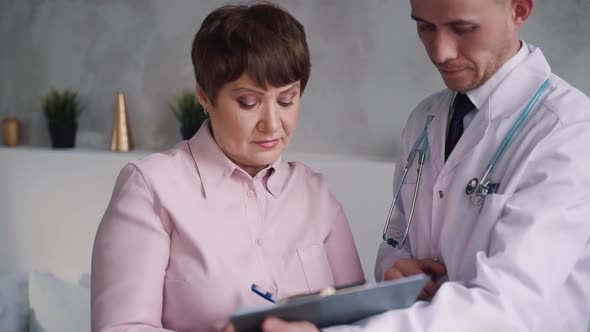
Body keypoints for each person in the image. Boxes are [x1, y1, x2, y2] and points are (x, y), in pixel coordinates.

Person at [264, 0, 590, 331]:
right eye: (425, 27)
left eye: (462, 29)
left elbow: (506, 304)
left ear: (518, 10)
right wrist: (396, 269)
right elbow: (397, 240)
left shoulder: (569, 131)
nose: (440, 52)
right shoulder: (426, 119)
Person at [90, 3, 365, 332]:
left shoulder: (316, 194)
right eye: (249, 102)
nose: (272, 124)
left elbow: (360, 319)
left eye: (287, 99)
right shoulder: (151, 188)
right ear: (205, 97)